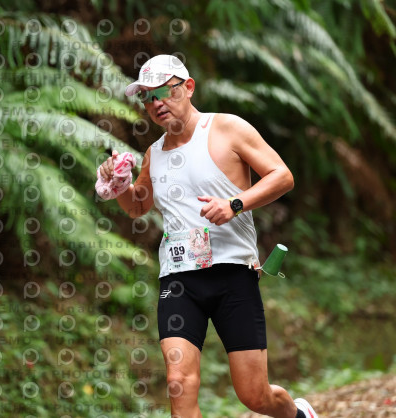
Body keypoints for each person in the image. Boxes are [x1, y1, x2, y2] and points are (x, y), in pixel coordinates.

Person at [98, 55, 318, 418]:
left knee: (255, 396)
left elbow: (282, 176)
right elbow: (137, 206)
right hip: (179, 280)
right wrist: (119, 182)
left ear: (188, 87)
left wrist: (235, 204)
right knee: (178, 381)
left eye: (164, 91)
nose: (156, 103)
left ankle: (298, 414)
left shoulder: (227, 128)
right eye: (147, 97)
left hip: (233, 274)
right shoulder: (154, 154)